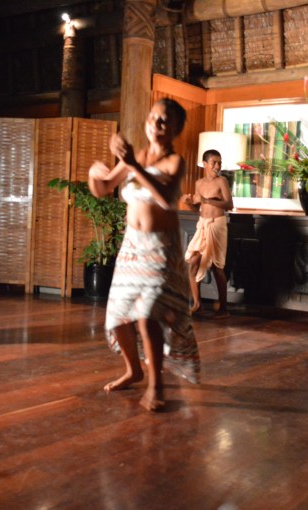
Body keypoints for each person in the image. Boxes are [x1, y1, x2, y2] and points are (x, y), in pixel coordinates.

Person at [88, 98, 199, 411]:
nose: (156, 123)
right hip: (132, 248)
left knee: (146, 314)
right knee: (118, 317)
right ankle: (133, 370)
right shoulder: (135, 156)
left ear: (176, 128)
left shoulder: (174, 162)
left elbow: (166, 199)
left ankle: (156, 385)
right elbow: (105, 186)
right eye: (153, 117)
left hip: (160, 249)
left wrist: (136, 166)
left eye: (164, 120)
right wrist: (95, 173)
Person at [183, 149, 233, 317]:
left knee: (218, 267)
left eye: (219, 162)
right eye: (214, 162)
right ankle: (197, 304)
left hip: (217, 225)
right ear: (204, 164)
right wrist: (189, 203)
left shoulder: (222, 181)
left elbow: (229, 205)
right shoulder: (199, 183)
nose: (217, 166)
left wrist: (206, 200)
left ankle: (224, 308)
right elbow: (198, 209)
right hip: (202, 224)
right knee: (192, 261)